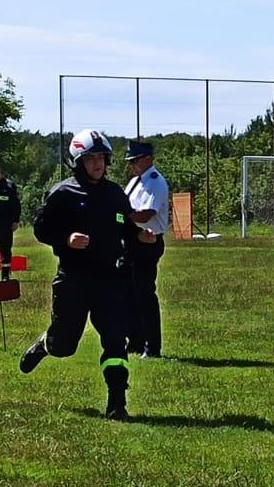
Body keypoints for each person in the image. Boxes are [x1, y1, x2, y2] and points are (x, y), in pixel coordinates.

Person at [19, 129, 156, 421]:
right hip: (73, 279)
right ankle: (46, 344)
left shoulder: (115, 194)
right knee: (65, 345)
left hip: (110, 279)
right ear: (78, 162)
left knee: (116, 341)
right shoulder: (62, 193)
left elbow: (124, 226)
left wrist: (140, 236)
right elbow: (42, 230)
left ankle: (117, 402)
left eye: (102, 158)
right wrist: (66, 239)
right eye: (91, 158)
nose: (98, 164)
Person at [122, 140, 169, 359]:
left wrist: (120, 216)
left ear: (148, 159)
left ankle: (153, 346)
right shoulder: (134, 182)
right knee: (128, 294)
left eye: (136, 160)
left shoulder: (155, 181)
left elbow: (145, 215)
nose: (132, 165)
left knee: (144, 294)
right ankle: (136, 340)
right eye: (131, 161)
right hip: (132, 240)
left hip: (148, 242)